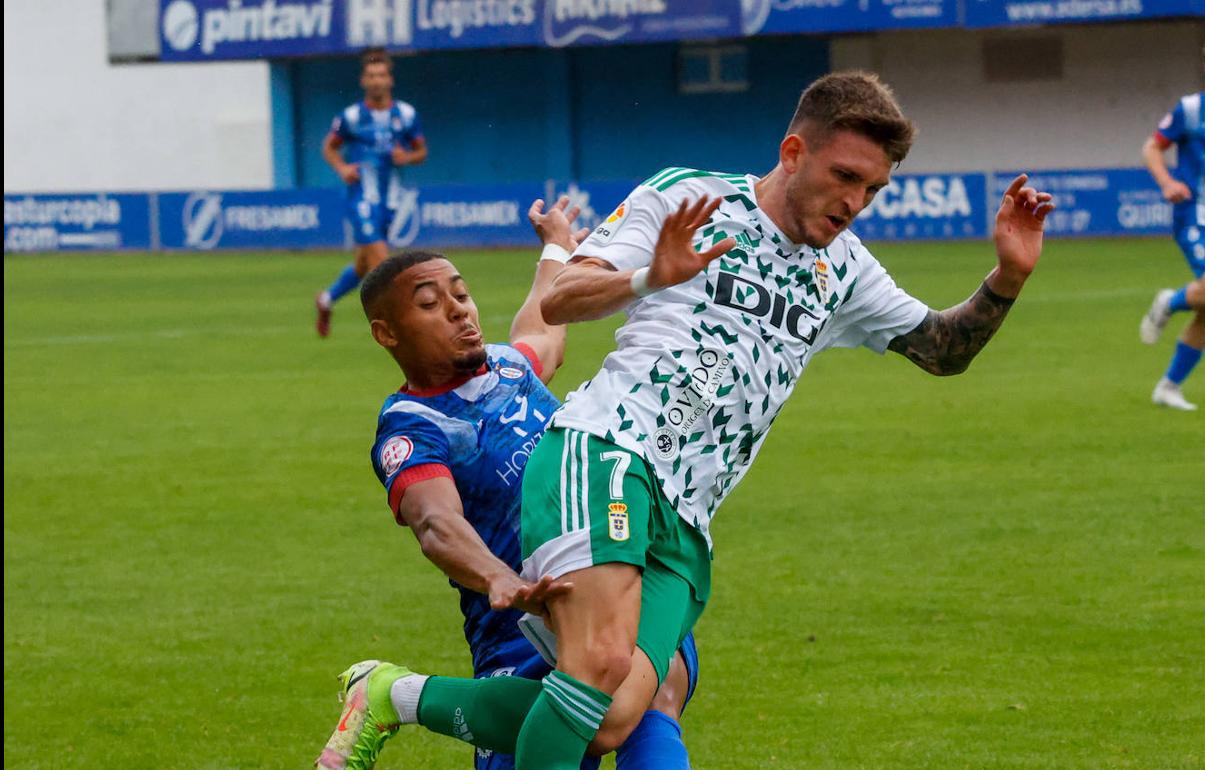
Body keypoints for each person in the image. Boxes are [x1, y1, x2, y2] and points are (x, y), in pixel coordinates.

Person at [317, 70, 1053, 770]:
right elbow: (563, 298)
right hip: (607, 454)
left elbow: (940, 349)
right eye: (845, 177)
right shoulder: (691, 197)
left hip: (689, 517)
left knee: (615, 716)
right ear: (794, 152)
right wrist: (650, 277)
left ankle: (392, 694)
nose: (856, 201)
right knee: (600, 667)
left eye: (873, 188)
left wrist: (1006, 278)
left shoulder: (847, 271)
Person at [313, 197, 698, 770]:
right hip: (520, 625)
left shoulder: (509, 368)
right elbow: (436, 523)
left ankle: (394, 694)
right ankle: (394, 694)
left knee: (655, 694)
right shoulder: (415, 426)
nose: (460, 312)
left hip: (605, 575)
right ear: (385, 334)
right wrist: (500, 578)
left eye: (461, 296)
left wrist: (557, 245)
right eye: (430, 304)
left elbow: (544, 326)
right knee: (599, 720)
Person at [1138, 30, 1205, 410]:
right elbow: (1152, 147)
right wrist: (1167, 181)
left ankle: (1168, 387)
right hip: (1195, 217)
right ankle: (1169, 301)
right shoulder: (1191, 109)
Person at [315, 47, 428, 338]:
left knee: (364, 264)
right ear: (363, 81)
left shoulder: (405, 114)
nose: (376, 80)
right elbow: (329, 147)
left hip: (390, 198)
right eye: (371, 76)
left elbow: (421, 151)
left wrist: (407, 158)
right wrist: (342, 168)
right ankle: (404, 323)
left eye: (381, 75)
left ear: (389, 79)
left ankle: (326, 300)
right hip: (361, 198)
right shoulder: (351, 117)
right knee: (382, 261)